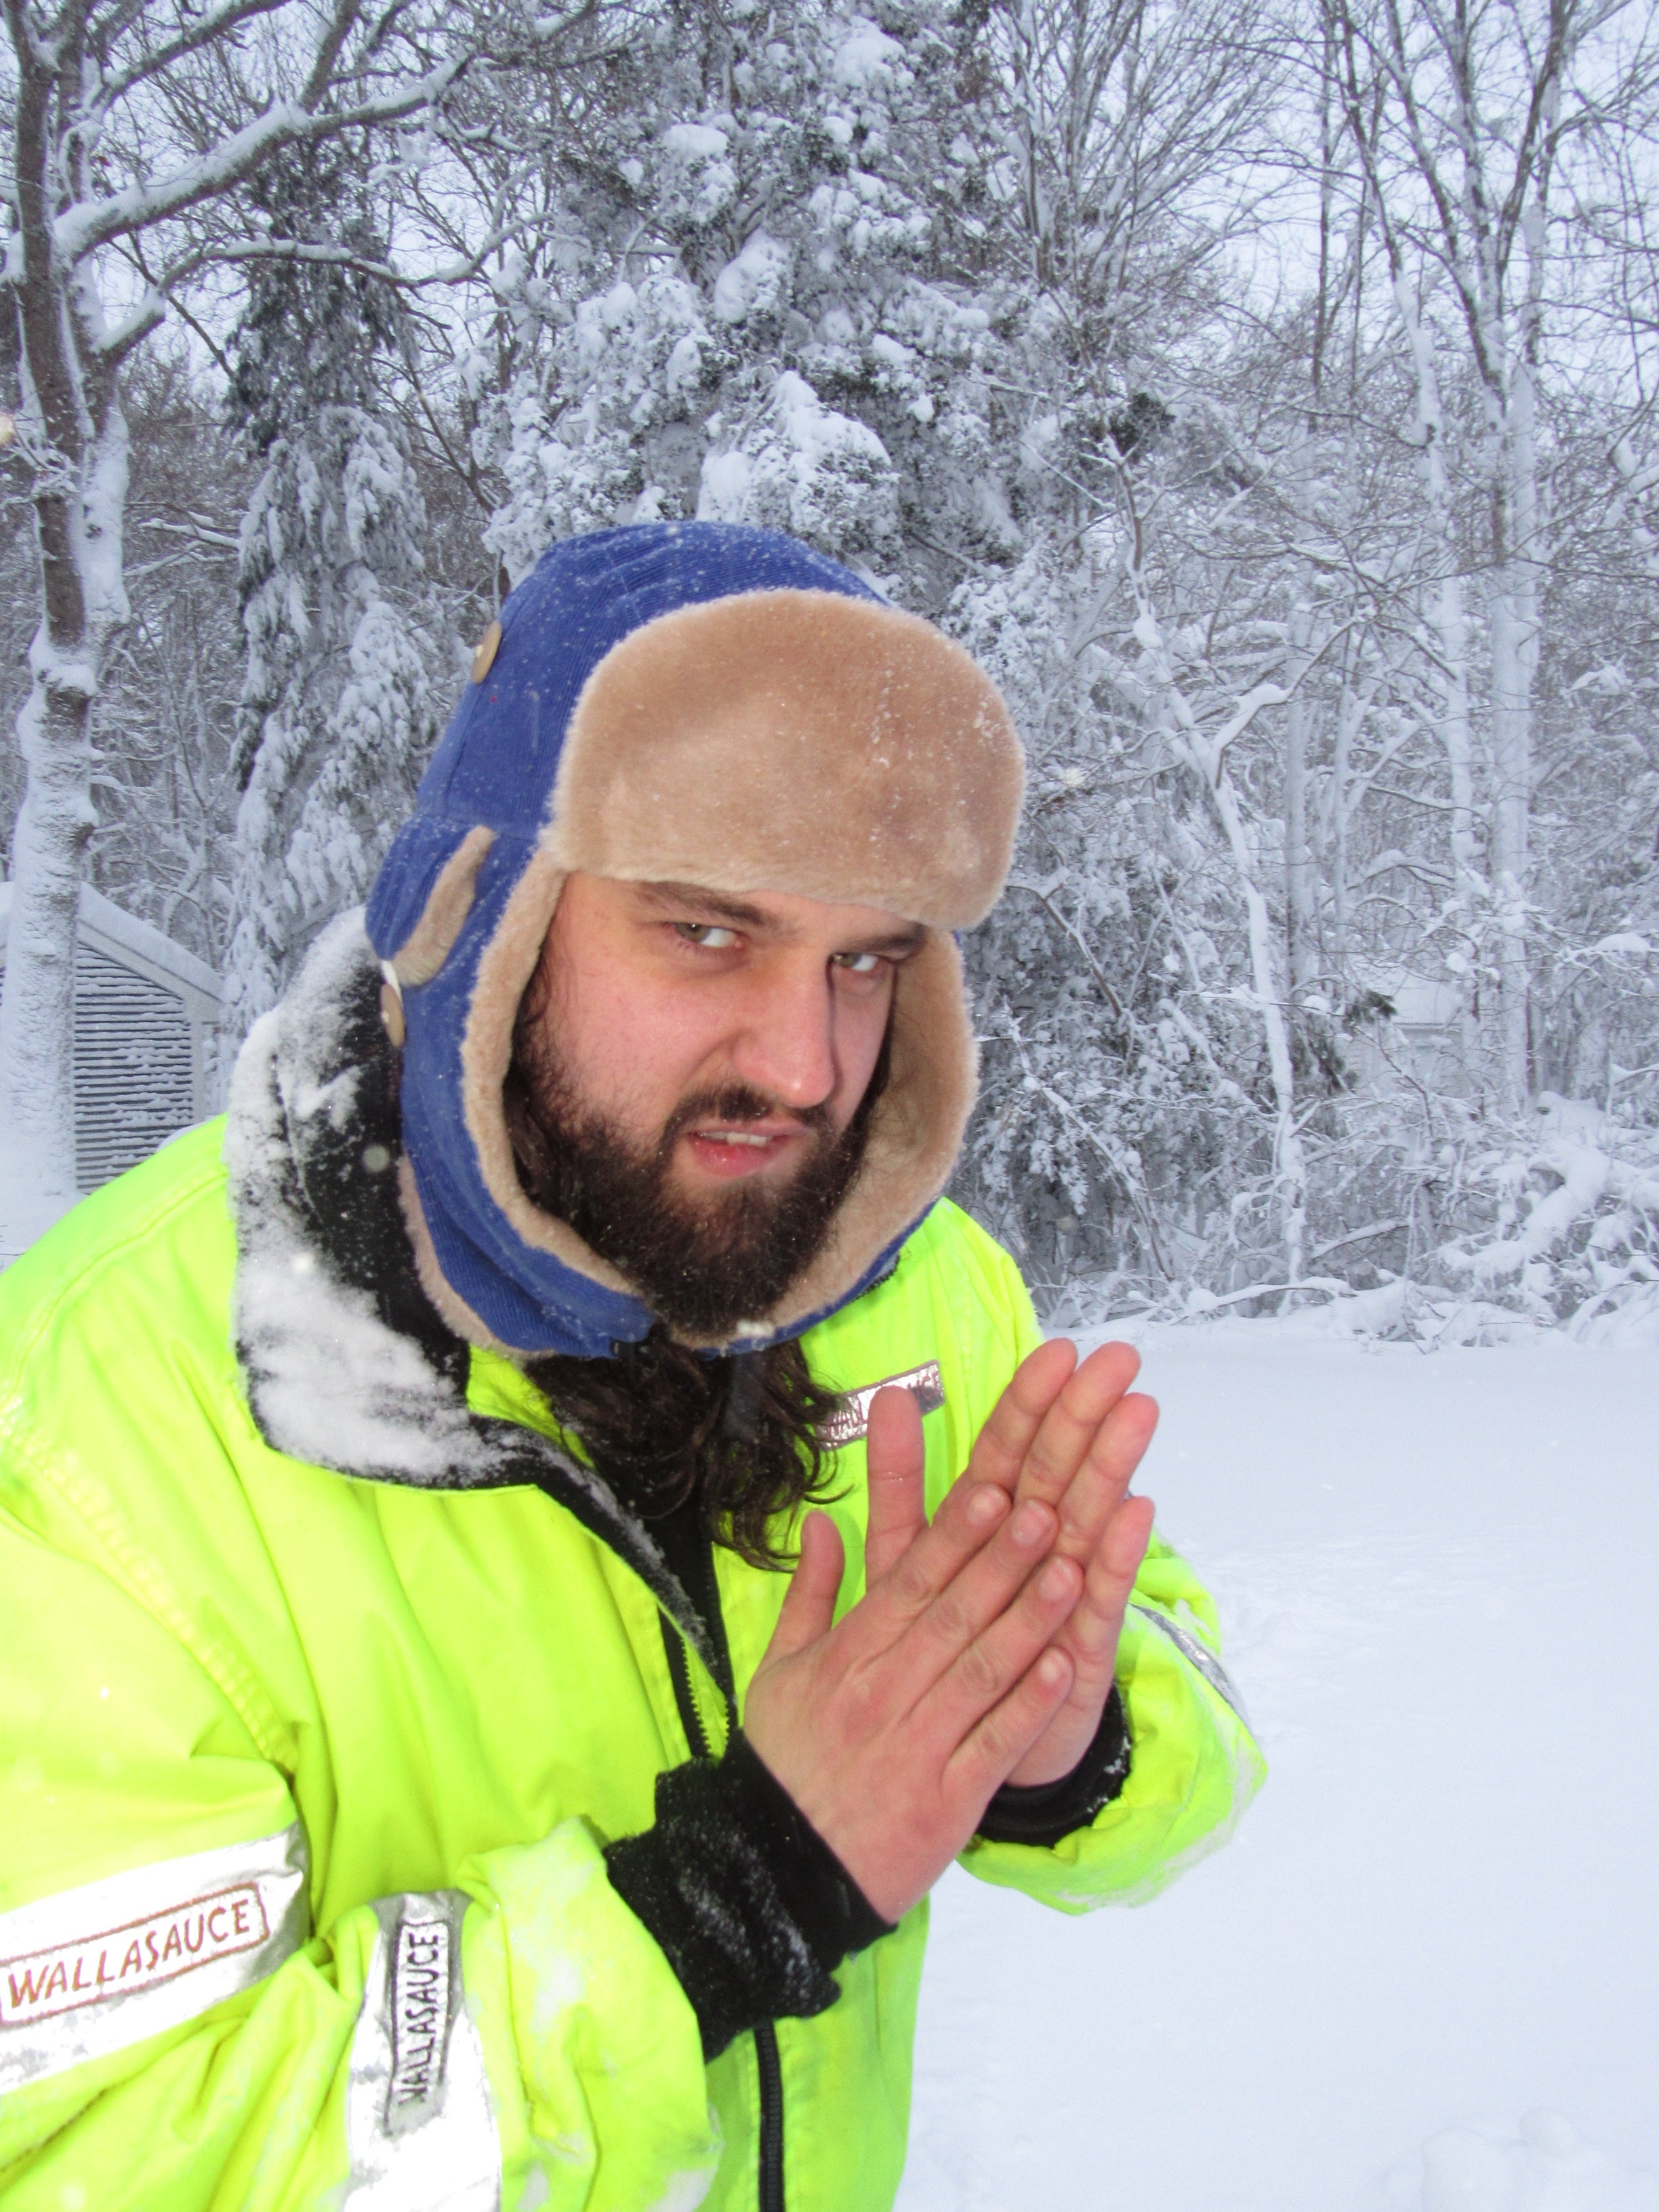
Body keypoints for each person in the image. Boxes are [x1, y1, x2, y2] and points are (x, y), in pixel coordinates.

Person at [0, 523, 1261, 2212]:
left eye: (867, 958)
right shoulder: (105, 1430)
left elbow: (1185, 1704)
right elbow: (103, 2148)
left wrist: (1073, 1746)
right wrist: (732, 1905)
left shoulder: (918, 1300)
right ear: (487, 919)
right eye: (707, 935)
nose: (806, 1065)